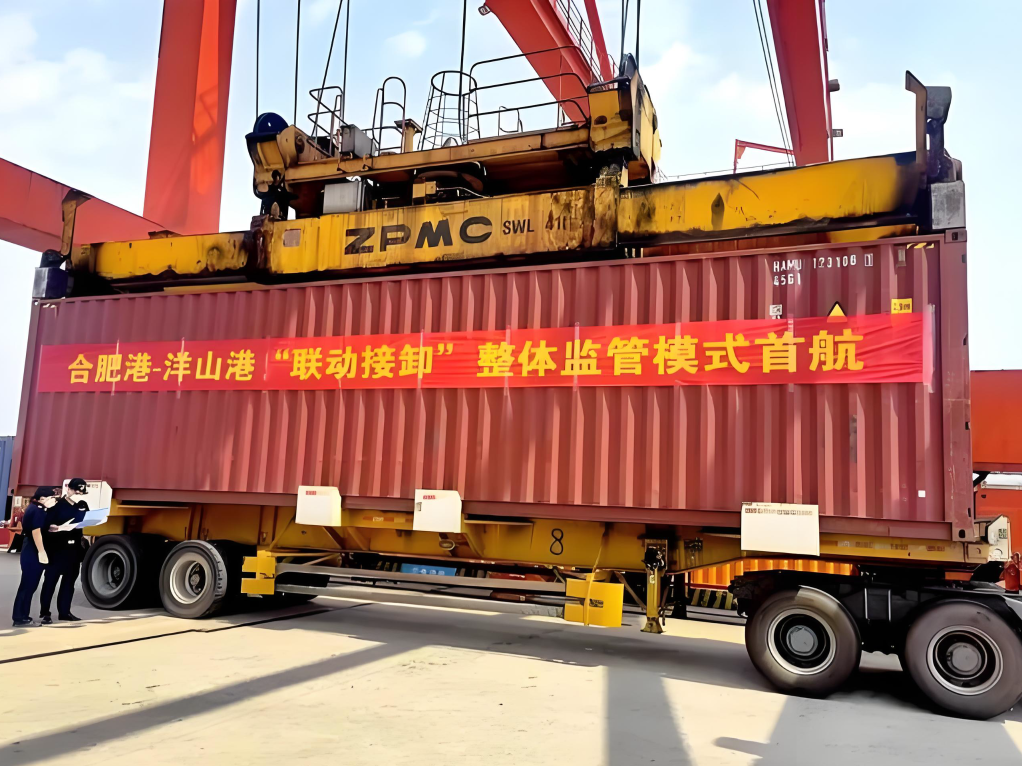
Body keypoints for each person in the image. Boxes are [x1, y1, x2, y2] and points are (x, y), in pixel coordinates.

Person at [39, 478, 89, 624]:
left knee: (69, 583)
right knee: (50, 582)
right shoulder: (56, 505)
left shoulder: (82, 505)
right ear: (68, 489)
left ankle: (64, 612)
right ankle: (45, 613)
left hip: (73, 550)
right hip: (56, 549)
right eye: (76, 491)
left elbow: (84, 523)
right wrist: (54, 528)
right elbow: (44, 526)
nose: (78, 494)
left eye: (81, 492)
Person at [11, 486, 60, 627]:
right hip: (33, 550)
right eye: (51, 498)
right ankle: (20, 618)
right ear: (42, 498)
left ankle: (22, 616)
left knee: (28, 586)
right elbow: (36, 532)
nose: (53, 500)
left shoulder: (34, 508)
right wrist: (41, 551)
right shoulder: (38, 510)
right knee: (28, 585)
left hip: (30, 548)